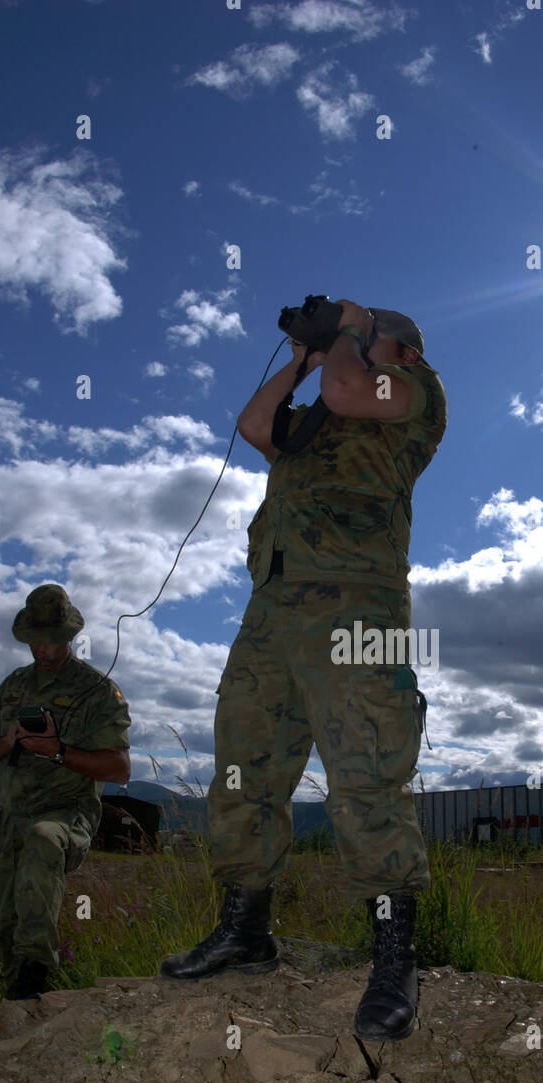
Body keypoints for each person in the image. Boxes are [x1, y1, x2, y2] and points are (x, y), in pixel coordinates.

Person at [161, 300, 447, 1042]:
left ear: (403, 352)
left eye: (368, 338)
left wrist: (350, 329)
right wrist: (302, 357)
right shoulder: (319, 415)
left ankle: (393, 958)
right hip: (274, 611)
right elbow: (256, 428)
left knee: (365, 774)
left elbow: (354, 388)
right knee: (243, 769)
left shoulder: (413, 395)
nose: (349, 348)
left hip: (361, 608)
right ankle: (244, 933)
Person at [0, 584, 131, 1000]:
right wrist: (8, 742)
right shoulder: (14, 686)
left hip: (64, 812)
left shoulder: (97, 691)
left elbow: (120, 770)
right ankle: (17, 1000)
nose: (42, 649)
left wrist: (59, 751)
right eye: (34, 641)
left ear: (70, 636)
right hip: (9, 815)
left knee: (43, 842)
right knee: (6, 916)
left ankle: (36, 971)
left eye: (52, 640)